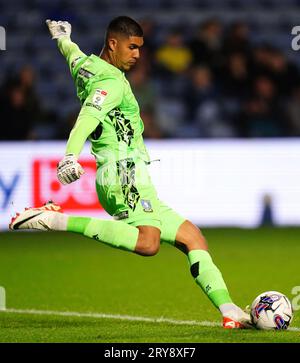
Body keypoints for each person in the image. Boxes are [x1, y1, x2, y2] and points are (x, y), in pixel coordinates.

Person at [9, 16, 251, 329]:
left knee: (193, 238)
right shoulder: (110, 82)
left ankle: (229, 310)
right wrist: (69, 155)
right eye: (132, 46)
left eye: (140, 48)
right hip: (122, 173)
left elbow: (73, 55)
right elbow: (88, 116)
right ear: (113, 44)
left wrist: (62, 39)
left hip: (135, 176)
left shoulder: (85, 66)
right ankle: (56, 219)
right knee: (148, 244)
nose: (137, 54)